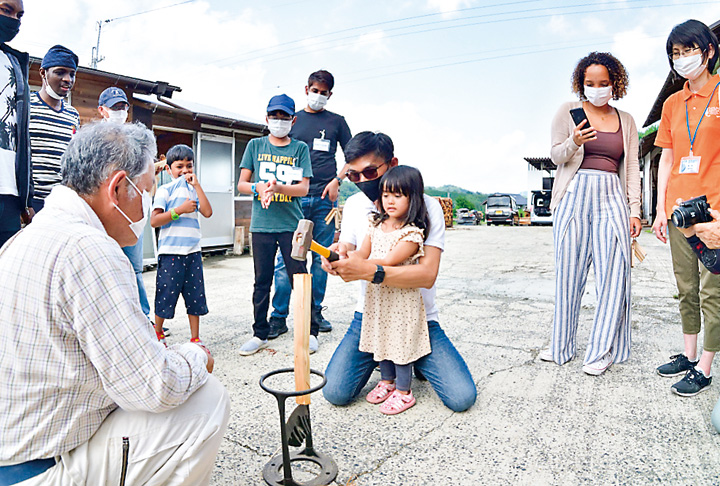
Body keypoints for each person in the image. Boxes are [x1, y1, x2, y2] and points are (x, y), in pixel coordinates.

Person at [0, 121, 229, 486]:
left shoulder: (29, 236)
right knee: (206, 400)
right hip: (37, 469)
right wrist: (197, 355)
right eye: (146, 191)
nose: (145, 206)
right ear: (118, 187)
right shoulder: (90, 249)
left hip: (12, 449)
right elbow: (156, 386)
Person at [320, 131, 476, 413]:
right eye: (354, 176)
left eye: (369, 171)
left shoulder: (426, 206)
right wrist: (336, 258)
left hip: (417, 317)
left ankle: (411, 358)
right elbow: (352, 250)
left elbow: (426, 274)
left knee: (461, 397)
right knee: (335, 392)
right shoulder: (356, 206)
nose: (363, 181)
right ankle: (390, 366)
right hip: (371, 315)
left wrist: (370, 271)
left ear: (392, 163)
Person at [540, 51, 641, 376]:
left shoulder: (625, 120)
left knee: (615, 275)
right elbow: (556, 157)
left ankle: (601, 351)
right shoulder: (567, 112)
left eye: (604, 83)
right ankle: (560, 347)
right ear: (581, 84)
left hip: (612, 195)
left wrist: (635, 210)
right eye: (590, 83)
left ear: (615, 84)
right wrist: (573, 141)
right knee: (568, 276)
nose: (597, 88)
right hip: (574, 195)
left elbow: (633, 168)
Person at [651, 19, 720, 396]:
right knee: (686, 286)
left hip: (713, 212)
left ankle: (706, 368)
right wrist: (662, 210)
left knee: (713, 290)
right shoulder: (673, 103)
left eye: (688, 50)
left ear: (708, 50)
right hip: (679, 210)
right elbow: (667, 158)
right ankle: (689, 354)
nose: (682, 59)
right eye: (676, 54)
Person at [267, 70, 352, 339]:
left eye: (323, 92)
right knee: (286, 258)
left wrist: (338, 180)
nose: (318, 95)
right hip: (294, 199)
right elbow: (277, 149)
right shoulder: (293, 119)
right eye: (314, 90)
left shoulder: (337, 122)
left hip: (326, 198)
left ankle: (314, 311)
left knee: (322, 257)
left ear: (330, 94)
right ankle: (278, 317)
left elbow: (352, 156)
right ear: (306, 89)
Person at [236, 94, 313, 356]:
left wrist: (277, 187)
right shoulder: (255, 146)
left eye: (284, 117)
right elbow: (242, 183)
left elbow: (303, 188)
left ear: (293, 119)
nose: (279, 121)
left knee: (300, 278)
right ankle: (260, 333)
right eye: (274, 116)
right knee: (262, 280)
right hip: (262, 225)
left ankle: (309, 331)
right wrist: (259, 187)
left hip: (292, 224)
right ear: (266, 118)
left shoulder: (299, 149)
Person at [357, 165, 431, 415]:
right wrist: (344, 256)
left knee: (400, 344)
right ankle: (386, 382)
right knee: (381, 338)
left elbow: (387, 261)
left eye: (398, 195)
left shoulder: (412, 233)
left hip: (401, 300)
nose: (390, 201)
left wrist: (353, 267)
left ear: (413, 199)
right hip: (378, 298)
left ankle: (404, 391)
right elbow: (361, 253)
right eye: (386, 194)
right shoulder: (374, 224)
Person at [151, 144, 213, 345]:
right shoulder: (164, 190)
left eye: (189, 165)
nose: (185, 170)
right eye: (179, 166)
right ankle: (158, 332)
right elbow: (155, 220)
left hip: (193, 252)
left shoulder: (194, 190)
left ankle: (195, 338)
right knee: (166, 294)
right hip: (170, 253)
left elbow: (207, 212)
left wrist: (198, 186)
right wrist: (180, 210)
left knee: (195, 296)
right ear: (169, 169)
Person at [29, 45, 79, 213]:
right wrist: (23, 203)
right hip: (30, 202)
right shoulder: (26, 106)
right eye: (60, 72)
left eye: (72, 74)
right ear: (43, 73)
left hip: (61, 203)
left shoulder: (73, 115)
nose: (68, 79)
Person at [0, 0, 32, 246]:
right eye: (6, 10)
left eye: (19, 15)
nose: (14, 20)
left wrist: (25, 197)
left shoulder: (14, 62)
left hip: (9, 194)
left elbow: (23, 135)